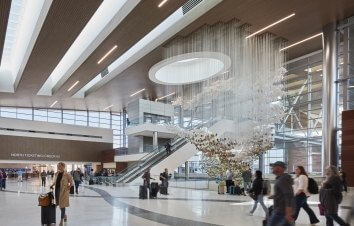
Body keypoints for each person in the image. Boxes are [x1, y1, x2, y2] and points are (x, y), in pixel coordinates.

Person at [268, 161, 294, 226]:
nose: (272, 169)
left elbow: (289, 196)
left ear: (279, 168)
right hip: (280, 210)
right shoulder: (280, 178)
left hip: (281, 212)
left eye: (273, 167)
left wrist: (288, 213)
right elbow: (284, 193)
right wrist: (275, 196)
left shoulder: (283, 179)